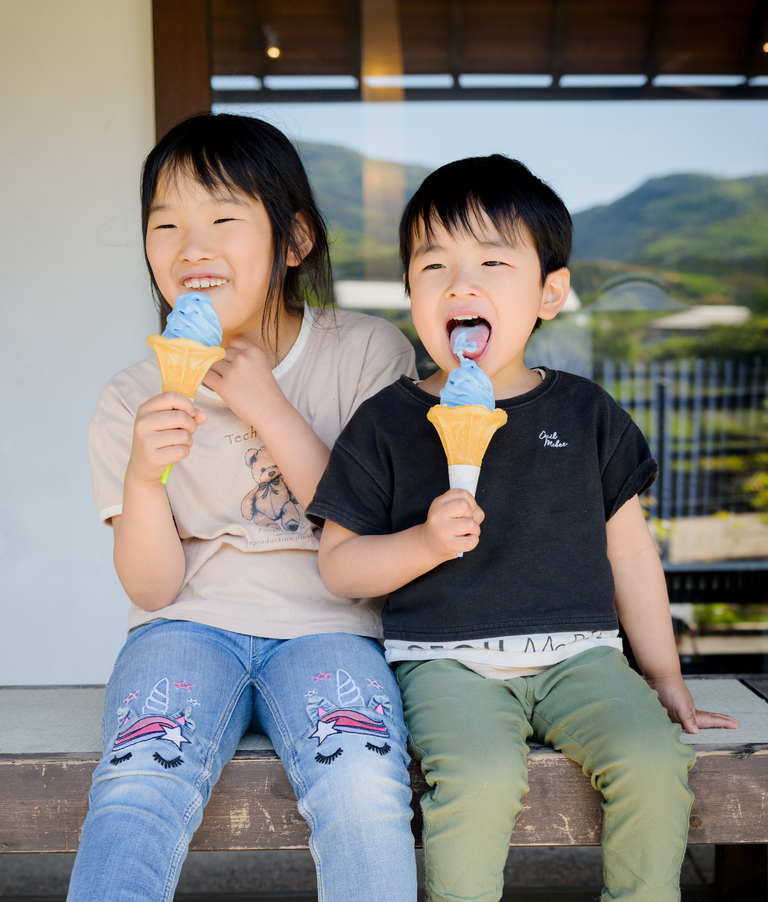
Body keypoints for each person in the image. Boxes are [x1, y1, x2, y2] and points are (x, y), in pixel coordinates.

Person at [307, 155, 738, 902]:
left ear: (549, 292)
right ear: (410, 290)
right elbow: (339, 567)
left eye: (491, 263)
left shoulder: (585, 412)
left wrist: (664, 674)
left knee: (653, 762)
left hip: (585, 660)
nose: (459, 286)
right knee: (475, 781)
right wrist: (424, 542)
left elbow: (631, 553)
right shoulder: (387, 421)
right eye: (433, 264)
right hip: (446, 665)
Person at [68, 113, 418, 902]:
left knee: (363, 792)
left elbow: (369, 548)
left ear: (293, 240)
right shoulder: (132, 396)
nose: (192, 246)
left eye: (223, 218)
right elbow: (152, 590)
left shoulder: (368, 355)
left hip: (332, 625)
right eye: (167, 225)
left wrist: (269, 405)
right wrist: (141, 476)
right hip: (186, 626)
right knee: (135, 789)